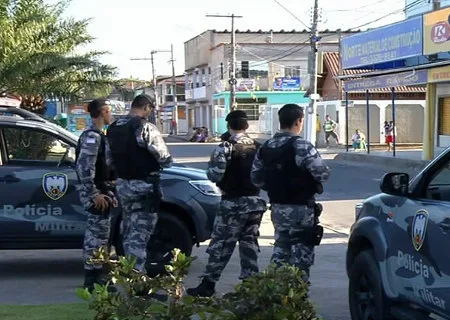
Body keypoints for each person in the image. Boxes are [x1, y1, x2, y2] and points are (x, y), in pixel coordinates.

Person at [187, 110, 267, 297]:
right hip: (255, 203)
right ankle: (251, 286)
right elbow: (264, 176)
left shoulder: (225, 147)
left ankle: (208, 284)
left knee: (221, 244)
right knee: (249, 245)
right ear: (246, 126)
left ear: (229, 126)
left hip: (232, 203)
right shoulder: (259, 147)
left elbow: (214, 175)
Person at [251, 104, 331, 284]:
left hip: (278, 207)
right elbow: (322, 174)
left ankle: (276, 294)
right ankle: (297, 300)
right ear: (299, 121)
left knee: (281, 250)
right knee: (301, 255)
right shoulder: (302, 145)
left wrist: (277, 186)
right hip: (301, 209)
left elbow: (256, 178)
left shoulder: (266, 147)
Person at [106, 94, 173, 273]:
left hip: (123, 185)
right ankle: (138, 285)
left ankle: (130, 274)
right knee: (139, 235)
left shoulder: (113, 128)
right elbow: (163, 157)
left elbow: (108, 160)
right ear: (147, 108)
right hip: (144, 187)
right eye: (150, 109)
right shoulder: (144, 127)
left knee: (128, 231)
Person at [75, 99, 118, 293]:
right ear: (103, 112)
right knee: (95, 238)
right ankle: (93, 279)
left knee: (101, 238)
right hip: (96, 195)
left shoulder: (100, 135)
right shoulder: (92, 137)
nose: (112, 115)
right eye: (109, 111)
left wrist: (109, 191)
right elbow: (84, 167)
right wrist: (94, 194)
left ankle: (97, 278)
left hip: (103, 192)